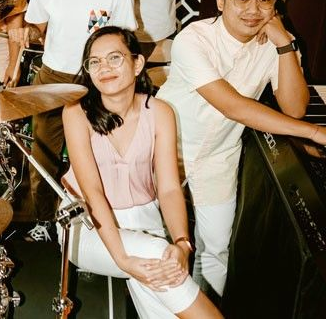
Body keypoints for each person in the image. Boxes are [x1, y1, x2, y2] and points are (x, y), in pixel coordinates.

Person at [156, 0, 326, 296]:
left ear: (275, 4)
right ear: (221, 1)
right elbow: (232, 106)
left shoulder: (276, 42)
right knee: (158, 241)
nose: (253, 10)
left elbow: (294, 107)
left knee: (216, 249)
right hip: (163, 148)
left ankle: (207, 311)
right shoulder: (194, 38)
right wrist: (313, 132)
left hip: (218, 156)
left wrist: (284, 44)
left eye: (265, 0)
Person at [63, 26, 222, 318]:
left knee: (165, 291)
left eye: (114, 58)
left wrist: (183, 244)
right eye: (94, 61)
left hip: (145, 218)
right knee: (158, 255)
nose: (104, 68)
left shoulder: (160, 112)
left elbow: (169, 188)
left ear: (137, 64)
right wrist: (122, 259)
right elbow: (92, 193)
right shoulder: (76, 112)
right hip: (86, 224)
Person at [8, 0, 137, 239]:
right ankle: (44, 220)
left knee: (101, 152)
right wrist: (27, 33)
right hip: (53, 77)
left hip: (98, 81)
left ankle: (102, 220)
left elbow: (123, 42)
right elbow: (37, 28)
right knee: (43, 154)